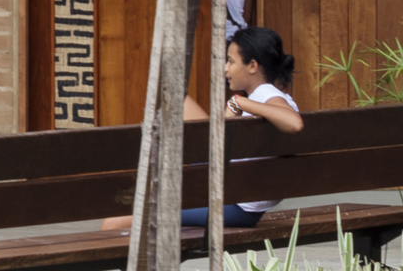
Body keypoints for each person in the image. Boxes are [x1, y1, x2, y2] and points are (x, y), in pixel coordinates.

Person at [91, 24, 304, 234]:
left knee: (115, 219)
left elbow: (294, 123)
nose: (225, 69)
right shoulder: (269, 94)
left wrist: (240, 102)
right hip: (234, 190)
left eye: (230, 61)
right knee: (175, 98)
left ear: (253, 66)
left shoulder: (266, 94)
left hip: (234, 207)